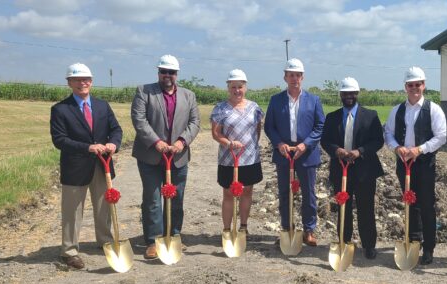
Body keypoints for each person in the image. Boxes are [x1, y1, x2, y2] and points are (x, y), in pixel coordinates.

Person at [50, 63, 123, 269]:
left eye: (86, 79)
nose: (83, 83)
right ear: (70, 83)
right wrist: (88, 147)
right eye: (78, 79)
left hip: (102, 166)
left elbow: (116, 129)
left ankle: (105, 241)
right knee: (72, 211)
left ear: (91, 81)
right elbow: (59, 140)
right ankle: (69, 250)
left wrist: (113, 143)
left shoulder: (102, 106)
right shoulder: (60, 109)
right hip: (75, 167)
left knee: (104, 207)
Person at [131, 54, 200, 259]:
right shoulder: (144, 91)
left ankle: (174, 235)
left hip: (178, 156)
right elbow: (139, 119)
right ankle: (153, 240)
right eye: (163, 71)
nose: (167, 75)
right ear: (158, 72)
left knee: (176, 197)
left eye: (171, 72)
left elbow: (195, 122)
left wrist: (182, 141)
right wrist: (156, 142)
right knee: (152, 199)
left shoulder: (189, 95)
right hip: (151, 156)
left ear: (176, 74)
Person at [384, 66, 447, 265]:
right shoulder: (397, 110)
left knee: (427, 205)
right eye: (410, 85)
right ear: (405, 87)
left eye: (417, 84)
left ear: (424, 85)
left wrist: (419, 149)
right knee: (410, 203)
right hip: (404, 164)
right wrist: (397, 148)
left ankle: (429, 247)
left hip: (424, 164)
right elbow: (388, 133)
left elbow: (441, 136)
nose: (414, 88)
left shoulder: (433, 109)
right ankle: (413, 241)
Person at [321, 77, 384, 259]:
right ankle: (344, 241)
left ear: (357, 94)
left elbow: (378, 141)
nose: (349, 96)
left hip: (365, 170)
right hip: (340, 169)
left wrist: (360, 151)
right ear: (340, 94)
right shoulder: (332, 117)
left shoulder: (370, 115)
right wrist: (336, 150)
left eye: (352, 93)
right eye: (345, 93)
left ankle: (369, 245)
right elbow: (325, 140)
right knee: (343, 208)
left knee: (366, 208)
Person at [264, 58, 325, 246]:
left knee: (309, 193)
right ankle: (286, 228)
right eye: (291, 75)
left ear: (303, 77)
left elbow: (320, 125)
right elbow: (269, 126)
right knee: (284, 192)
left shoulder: (313, 100)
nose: (294, 78)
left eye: (297, 75)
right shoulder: (276, 100)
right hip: (284, 154)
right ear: (285, 77)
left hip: (305, 154)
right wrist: (279, 143)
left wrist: (305, 144)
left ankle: (309, 230)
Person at [210, 69, 264, 233]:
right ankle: (227, 229)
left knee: (247, 191)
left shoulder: (254, 108)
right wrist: (228, 143)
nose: (237, 90)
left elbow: (257, 130)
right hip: (228, 158)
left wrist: (251, 146)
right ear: (228, 88)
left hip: (250, 158)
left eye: (240, 86)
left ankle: (243, 227)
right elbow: (215, 133)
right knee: (228, 193)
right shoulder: (220, 109)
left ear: (245, 87)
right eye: (233, 87)